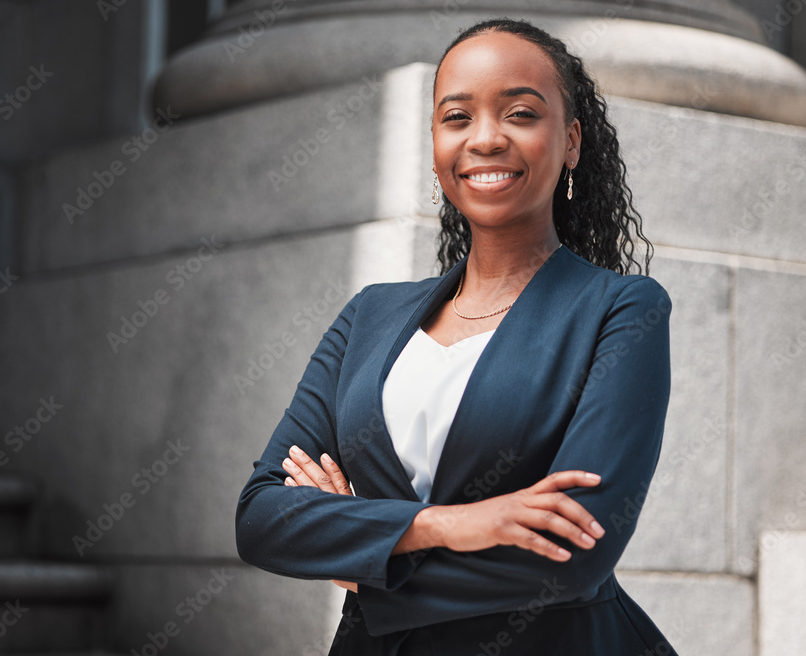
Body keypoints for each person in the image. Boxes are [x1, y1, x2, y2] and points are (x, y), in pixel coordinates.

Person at [236, 16, 678, 656]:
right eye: (457, 117)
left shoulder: (620, 310)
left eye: (521, 113)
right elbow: (262, 519)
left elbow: (574, 555)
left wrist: (364, 555)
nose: (487, 138)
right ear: (437, 144)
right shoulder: (371, 315)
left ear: (572, 141)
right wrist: (448, 525)